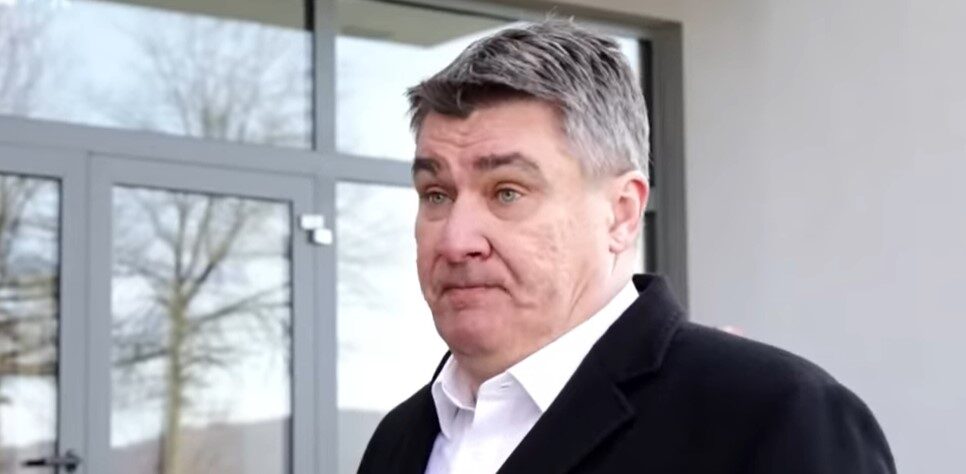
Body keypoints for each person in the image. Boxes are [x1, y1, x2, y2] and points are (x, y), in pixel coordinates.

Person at [359, 19, 895, 474]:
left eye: (507, 192)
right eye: (436, 194)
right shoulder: (399, 442)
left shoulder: (773, 417)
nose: (456, 241)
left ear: (621, 213)